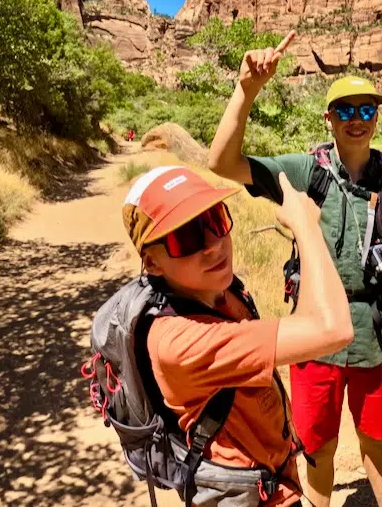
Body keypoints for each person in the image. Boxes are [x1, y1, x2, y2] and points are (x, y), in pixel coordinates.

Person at [208, 32, 382, 507]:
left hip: (372, 336)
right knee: (318, 444)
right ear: (329, 117)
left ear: (378, 116)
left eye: (366, 110)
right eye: (345, 110)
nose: (357, 120)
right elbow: (222, 162)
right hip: (314, 335)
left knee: (375, 439)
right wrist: (246, 90)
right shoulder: (307, 172)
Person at [124, 164, 354, 506]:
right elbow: (332, 328)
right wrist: (306, 227)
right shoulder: (179, 342)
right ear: (152, 263)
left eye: (215, 220)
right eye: (185, 238)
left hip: (275, 480)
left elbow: (311, 323)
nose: (213, 245)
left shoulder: (217, 289)